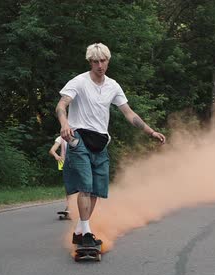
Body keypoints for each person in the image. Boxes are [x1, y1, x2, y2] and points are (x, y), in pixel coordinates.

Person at [55, 43, 166, 247]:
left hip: (101, 142)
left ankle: (80, 230)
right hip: (78, 138)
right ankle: (87, 233)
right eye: (95, 61)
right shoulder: (79, 82)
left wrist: (150, 131)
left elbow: (128, 113)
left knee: (96, 189)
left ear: (108, 61)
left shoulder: (113, 86)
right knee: (86, 186)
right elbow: (62, 105)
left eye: (103, 61)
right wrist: (65, 124)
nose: (99, 65)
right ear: (90, 62)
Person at [49, 135, 70, 215]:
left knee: (79, 185)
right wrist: (56, 156)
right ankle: (70, 207)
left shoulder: (78, 135)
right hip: (66, 164)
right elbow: (52, 150)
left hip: (79, 163)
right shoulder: (61, 138)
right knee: (69, 186)